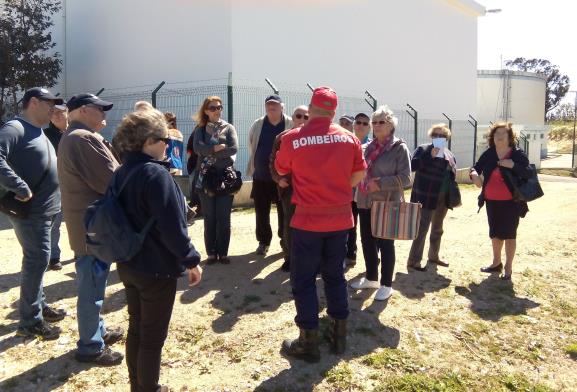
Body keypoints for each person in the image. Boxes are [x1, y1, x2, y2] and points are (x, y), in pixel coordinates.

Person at [112, 109, 202, 392]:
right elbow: (172, 228)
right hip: (156, 268)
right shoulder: (155, 174)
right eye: (165, 139)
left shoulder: (121, 172)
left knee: (136, 327)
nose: (168, 144)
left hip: (128, 263)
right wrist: (192, 260)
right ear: (149, 140)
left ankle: (137, 385)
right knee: (152, 338)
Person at [275, 87, 366, 362]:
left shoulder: (292, 138)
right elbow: (360, 172)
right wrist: (338, 188)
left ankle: (308, 340)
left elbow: (281, 170)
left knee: (303, 280)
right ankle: (338, 335)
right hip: (340, 219)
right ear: (334, 112)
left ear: (312, 108)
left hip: (307, 220)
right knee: (334, 276)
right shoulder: (349, 138)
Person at [58, 93, 124, 365]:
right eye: (100, 109)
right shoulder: (83, 139)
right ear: (84, 110)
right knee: (91, 287)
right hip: (92, 228)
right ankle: (90, 346)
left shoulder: (73, 136)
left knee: (93, 283)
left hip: (87, 224)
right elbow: (110, 180)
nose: (104, 114)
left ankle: (97, 332)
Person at [0, 87, 66, 340]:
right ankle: (30, 321)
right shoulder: (14, 128)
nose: (54, 109)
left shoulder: (37, 130)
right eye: (50, 104)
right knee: (36, 260)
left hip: (46, 209)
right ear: (34, 102)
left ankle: (38, 305)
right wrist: (19, 186)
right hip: (32, 211)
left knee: (39, 261)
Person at [350, 105, 411, 301]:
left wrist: (381, 184)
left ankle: (386, 284)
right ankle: (371, 277)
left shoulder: (399, 148)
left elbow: (406, 178)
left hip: (386, 203)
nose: (376, 125)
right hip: (365, 201)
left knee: (386, 244)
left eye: (380, 122)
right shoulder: (366, 147)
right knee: (367, 242)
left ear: (390, 124)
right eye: (373, 122)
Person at [470, 122, 532, 280]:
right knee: (495, 234)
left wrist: (513, 165)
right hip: (491, 201)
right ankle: (496, 263)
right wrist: (474, 175)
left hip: (512, 202)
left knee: (510, 235)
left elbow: (528, 174)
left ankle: (508, 267)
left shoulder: (517, 154)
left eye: (503, 134)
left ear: (510, 137)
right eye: (496, 134)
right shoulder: (490, 153)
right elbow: (476, 167)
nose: (499, 136)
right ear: (492, 137)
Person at [193, 96, 238, 265]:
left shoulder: (229, 128)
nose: (217, 110)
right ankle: (211, 253)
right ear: (206, 111)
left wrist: (209, 151)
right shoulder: (200, 129)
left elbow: (233, 148)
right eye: (213, 108)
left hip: (224, 178)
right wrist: (216, 148)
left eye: (219, 107)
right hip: (205, 177)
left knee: (224, 217)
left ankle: (223, 253)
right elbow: (198, 149)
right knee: (209, 217)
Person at [246, 95, 293, 256]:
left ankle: (284, 241)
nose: (271, 107)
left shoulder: (289, 124)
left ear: (282, 107)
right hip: (260, 177)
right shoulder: (258, 124)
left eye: (274, 105)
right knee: (261, 212)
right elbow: (251, 144)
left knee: (284, 211)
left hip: (282, 178)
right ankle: (263, 242)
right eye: (268, 105)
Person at [407, 123, 457, 271]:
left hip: (442, 197)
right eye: (435, 135)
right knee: (422, 229)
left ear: (446, 138)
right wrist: (430, 156)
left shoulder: (449, 154)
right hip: (425, 196)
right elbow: (411, 166)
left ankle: (433, 256)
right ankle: (414, 261)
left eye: (441, 136)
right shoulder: (423, 149)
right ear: (431, 136)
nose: (438, 138)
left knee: (437, 228)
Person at [270, 105, 309, 272]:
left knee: (311, 225)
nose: (302, 120)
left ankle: (311, 259)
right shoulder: (282, 137)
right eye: (299, 116)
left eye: (306, 117)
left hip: (311, 189)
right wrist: (278, 179)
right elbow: (272, 161)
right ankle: (289, 259)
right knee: (290, 225)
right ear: (292, 118)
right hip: (290, 189)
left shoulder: (316, 138)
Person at [43, 104, 69, 271]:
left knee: (81, 220)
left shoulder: (75, 132)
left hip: (75, 184)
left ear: (68, 113)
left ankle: (81, 251)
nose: (57, 115)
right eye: (53, 113)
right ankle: (54, 256)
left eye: (60, 112)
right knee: (55, 223)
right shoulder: (44, 135)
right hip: (55, 185)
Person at [345, 112, 372, 267]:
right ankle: (350, 254)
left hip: (367, 193)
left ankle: (373, 258)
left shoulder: (373, 146)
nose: (361, 125)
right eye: (358, 122)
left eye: (365, 123)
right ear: (353, 125)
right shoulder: (345, 142)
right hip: (348, 192)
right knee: (350, 225)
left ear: (369, 128)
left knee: (369, 229)